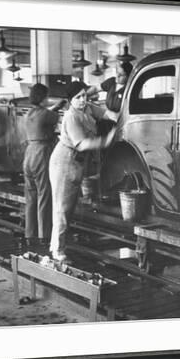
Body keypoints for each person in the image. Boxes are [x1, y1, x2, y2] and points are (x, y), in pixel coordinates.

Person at [49, 81, 116, 261]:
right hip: (64, 161)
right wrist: (106, 141)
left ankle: (59, 244)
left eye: (84, 95)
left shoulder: (87, 108)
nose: (82, 100)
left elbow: (106, 113)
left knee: (68, 208)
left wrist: (120, 120)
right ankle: (57, 250)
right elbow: (83, 144)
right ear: (70, 100)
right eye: (78, 97)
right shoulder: (71, 116)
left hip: (77, 162)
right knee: (62, 208)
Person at [23, 83, 64, 246]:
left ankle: (29, 234)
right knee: (44, 194)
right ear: (42, 97)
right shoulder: (46, 115)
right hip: (41, 154)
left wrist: (54, 107)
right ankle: (44, 235)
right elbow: (58, 117)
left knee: (31, 196)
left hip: (28, 154)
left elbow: (44, 114)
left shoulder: (30, 113)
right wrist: (60, 107)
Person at [85, 61, 133, 134]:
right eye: (117, 72)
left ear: (128, 76)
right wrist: (84, 95)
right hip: (107, 119)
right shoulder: (111, 82)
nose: (117, 76)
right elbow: (95, 88)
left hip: (120, 123)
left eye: (121, 75)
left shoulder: (129, 89)